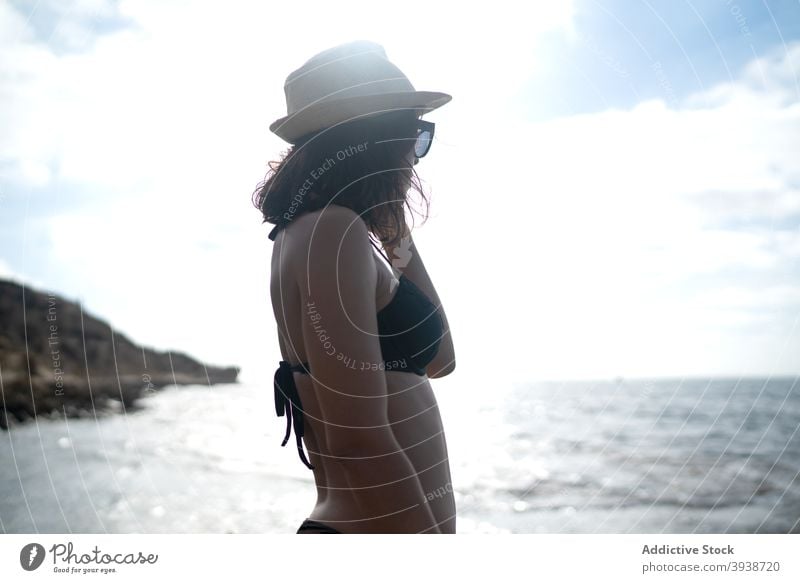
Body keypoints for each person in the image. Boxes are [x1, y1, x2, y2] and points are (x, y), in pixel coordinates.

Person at [252, 40, 456, 534]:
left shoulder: (337, 232)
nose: (415, 156)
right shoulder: (331, 232)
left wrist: (392, 226)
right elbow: (357, 439)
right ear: (375, 139)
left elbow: (440, 359)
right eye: (414, 135)